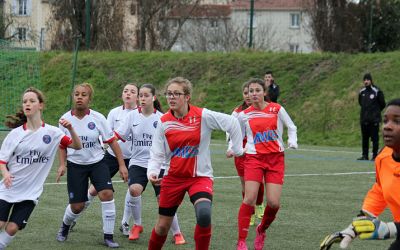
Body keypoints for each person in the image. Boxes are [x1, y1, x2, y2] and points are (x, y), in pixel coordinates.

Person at [146, 77, 244, 250]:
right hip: (173, 178)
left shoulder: (203, 115)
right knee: (162, 226)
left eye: (177, 94)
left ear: (187, 97)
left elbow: (233, 123)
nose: (172, 97)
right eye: (169, 94)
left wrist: (237, 150)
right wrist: (152, 171)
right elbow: (157, 152)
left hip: (200, 177)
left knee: (204, 214)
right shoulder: (163, 122)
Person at [0, 87, 82, 249]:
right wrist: (6, 173)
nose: (27, 104)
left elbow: (76, 146)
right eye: (25, 102)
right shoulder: (15, 134)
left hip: (30, 193)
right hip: (8, 189)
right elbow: (2, 160)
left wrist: (71, 129)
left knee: (12, 227)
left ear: (41, 105)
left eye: (32, 101)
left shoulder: (52, 133)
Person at [320, 98, 400, 250]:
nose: (387, 127)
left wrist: (390, 229)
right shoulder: (384, 157)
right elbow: (380, 191)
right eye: (385, 121)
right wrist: (353, 228)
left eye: (397, 121)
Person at [55, 83, 128, 248]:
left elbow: (113, 142)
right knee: (77, 206)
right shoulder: (64, 120)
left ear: (89, 99)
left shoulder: (98, 118)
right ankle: (65, 226)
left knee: (107, 193)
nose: (79, 97)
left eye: (84, 94)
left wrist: (122, 165)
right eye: (76, 94)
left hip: (97, 163)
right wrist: (62, 164)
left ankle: (108, 236)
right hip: (75, 165)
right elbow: (62, 145)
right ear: (73, 97)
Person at [114, 83, 185, 244]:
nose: (142, 98)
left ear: (153, 98)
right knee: (134, 190)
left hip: (159, 165)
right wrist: (103, 141)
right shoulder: (131, 116)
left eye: (146, 95)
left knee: (164, 200)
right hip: (138, 163)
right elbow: (117, 135)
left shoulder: (162, 118)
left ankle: (177, 233)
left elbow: (173, 142)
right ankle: (137, 225)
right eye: (141, 95)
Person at [233, 78, 297, 250]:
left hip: (276, 159)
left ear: (264, 92)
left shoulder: (276, 109)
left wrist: (292, 140)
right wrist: (235, 148)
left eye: (257, 90)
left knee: (274, 203)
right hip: (254, 158)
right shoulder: (243, 115)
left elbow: (292, 127)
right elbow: (235, 133)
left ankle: (262, 230)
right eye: (251, 91)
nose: (254, 94)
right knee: (249, 198)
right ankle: (241, 241)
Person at [69, 83, 139, 236]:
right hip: (113, 156)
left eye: (132, 92)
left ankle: (125, 223)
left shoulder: (141, 113)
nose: (128, 94)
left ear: (138, 97)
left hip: (134, 158)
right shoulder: (114, 113)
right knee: (95, 189)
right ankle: (74, 218)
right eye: (125, 91)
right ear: (122, 94)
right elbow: (106, 134)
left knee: (134, 189)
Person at [227, 82, 265, 226]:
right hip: (241, 151)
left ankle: (260, 203)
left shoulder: (262, 110)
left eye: (250, 92)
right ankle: (250, 212)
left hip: (257, 150)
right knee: (245, 184)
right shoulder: (237, 112)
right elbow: (230, 131)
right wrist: (231, 147)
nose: (248, 95)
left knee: (259, 181)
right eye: (245, 93)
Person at [358, 73, 386, 161]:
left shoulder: (377, 91)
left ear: (371, 80)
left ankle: (374, 156)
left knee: (375, 139)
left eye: (367, 79)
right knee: (365, 138)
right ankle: (365, 155)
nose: (366, 81)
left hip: (374, 120)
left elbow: (382, 104)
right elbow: (360, 103)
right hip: (364, 120)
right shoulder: (362, 92)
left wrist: (376, 112)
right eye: (364, 80)